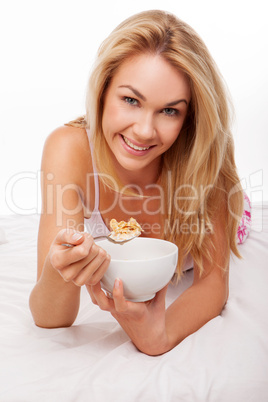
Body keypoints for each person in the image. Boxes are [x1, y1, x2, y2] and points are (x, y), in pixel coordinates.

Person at [29, 10, 250, 356]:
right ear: (103, 91)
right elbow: (50, 319)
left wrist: (159, 336)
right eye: (131, 100)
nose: (145, 131)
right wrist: (61, 271)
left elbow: (212, 282)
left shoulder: (205, 157)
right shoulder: (69, 149)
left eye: (169, 111)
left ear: (189, 118)